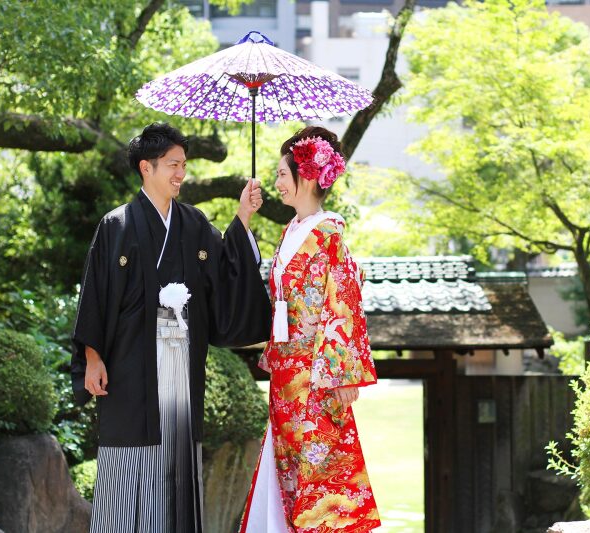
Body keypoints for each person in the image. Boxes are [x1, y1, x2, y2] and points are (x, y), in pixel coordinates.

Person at [70, 122, 272, 533]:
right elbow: (96, 294)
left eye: (183, 165)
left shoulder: (195, 224)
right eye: (173, 165)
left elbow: (226, 273)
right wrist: (92, 357)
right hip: (129, 363)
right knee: (127, 454)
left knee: (176, 455)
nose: (181, 173)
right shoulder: (117, 225)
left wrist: (243, 217)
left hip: (180, 362)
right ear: (147, 168)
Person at [239, 127, 380, 532]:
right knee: (289, 466)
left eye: (283, 174)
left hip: (318, 374)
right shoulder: (291, 231)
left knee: (320, 470)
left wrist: (342, 374)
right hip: (287, 372)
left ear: (307, 177)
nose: (277, 182)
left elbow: (343, 299)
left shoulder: (329, 232)